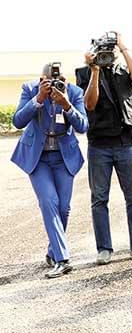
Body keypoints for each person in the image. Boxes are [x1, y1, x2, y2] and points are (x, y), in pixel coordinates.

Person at [76, 32, 132, 264]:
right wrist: (94, 70)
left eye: (111, 50)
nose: (106, 54)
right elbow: (89, 104)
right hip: (99, 145)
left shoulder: (124, 71)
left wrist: (124, 48)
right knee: (99, 199)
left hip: (125, 142)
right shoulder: (84, 72)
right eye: (103, 50)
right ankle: (104, 249)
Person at [11, 63, 88, 278]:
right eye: (50, 79)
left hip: (64, 157)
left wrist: (67, 105)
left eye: (60, 79)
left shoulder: (74, 92)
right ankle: (62, 259)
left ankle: (52, 251)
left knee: (64, 208)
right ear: (41, 79)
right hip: (38, 158)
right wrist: (38, 100)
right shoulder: (30, 89)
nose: (56, 83)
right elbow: (18, 121)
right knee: (49, 202)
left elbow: (83, 126)